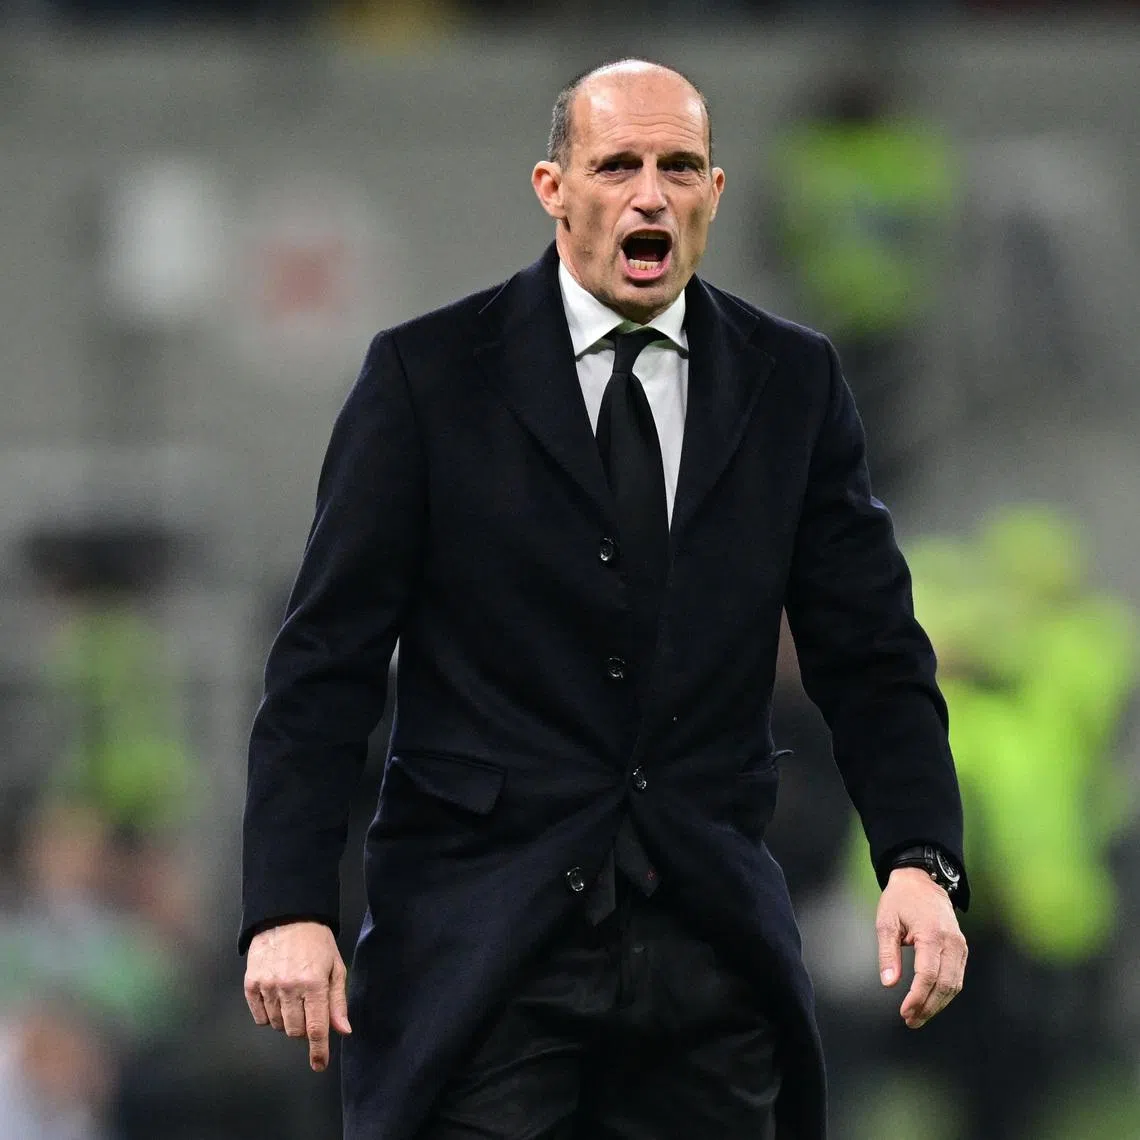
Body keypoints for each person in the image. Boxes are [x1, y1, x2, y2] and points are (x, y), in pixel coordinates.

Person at [240, 59, 969, 1140]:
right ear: (552, 187)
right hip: (485, 951)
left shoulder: (791, 385)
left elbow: (871, 652)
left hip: (706, 951)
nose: (649, 193)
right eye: (617, 164)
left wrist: (919, 856)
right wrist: (289, 906)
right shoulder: (428, 376)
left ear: (715, 194)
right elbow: (325, 664)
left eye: (679, 167)